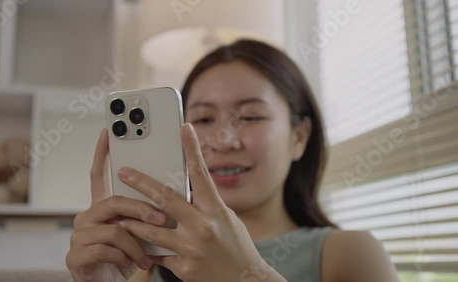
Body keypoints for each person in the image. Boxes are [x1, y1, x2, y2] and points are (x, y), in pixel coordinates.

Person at [66, 39, 399, 282]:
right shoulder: (147, 264)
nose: (223, 140)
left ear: (299, 137)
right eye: (205, 120)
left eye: (250, 117)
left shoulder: (349, 253)